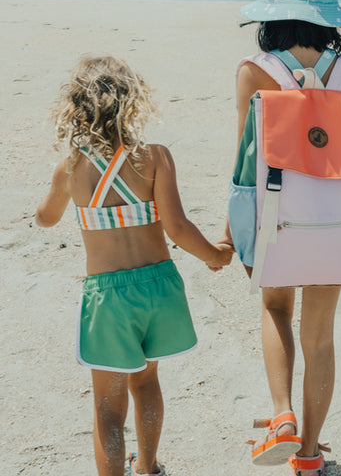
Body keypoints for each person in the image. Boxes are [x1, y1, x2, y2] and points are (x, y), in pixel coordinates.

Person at [224, 0, 341, 476]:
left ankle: (282, 417)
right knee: (321, 334)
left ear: (269, 16)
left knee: (276, 309)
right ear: (328, 18)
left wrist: (234, 229)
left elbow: (243, 160)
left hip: (279, 215)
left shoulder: (255, 71)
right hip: (340, 220)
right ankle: (309, 455)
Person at [35, 56, 233, 476]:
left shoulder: (70, 168)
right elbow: (177, 227)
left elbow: (46, 217)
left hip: (108, 295)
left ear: (76, 108)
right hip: (160, 286)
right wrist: (214, 256)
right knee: (146, 382)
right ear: (132, 102)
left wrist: (62, 196)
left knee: (108, 405)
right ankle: (147, 467)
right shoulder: (155, 157)